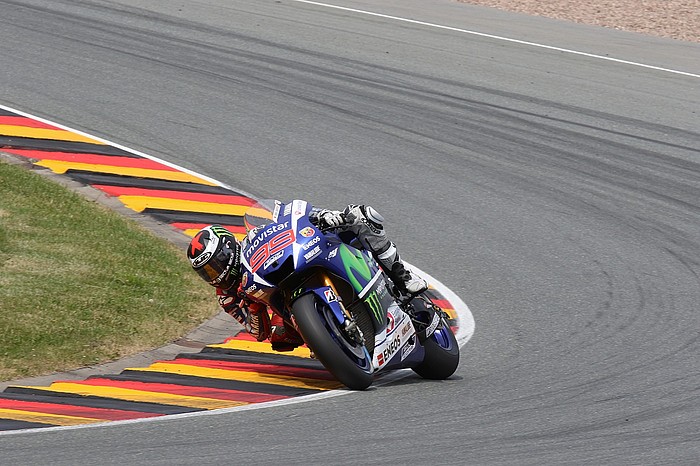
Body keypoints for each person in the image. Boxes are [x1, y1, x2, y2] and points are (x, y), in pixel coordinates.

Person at [186, 203, 428, 352]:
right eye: (206, 272)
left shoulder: (254, 238)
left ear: (229, 250)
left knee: (360, 216)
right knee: (279, 336)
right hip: (283, 304)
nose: (214, 275)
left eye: (214, 266)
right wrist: (253, 306)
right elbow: (258, 333)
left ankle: (402, 277)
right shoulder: (227, 297)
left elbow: (289, 215)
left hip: (299, 258)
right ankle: (326, 340)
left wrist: (323, 216)